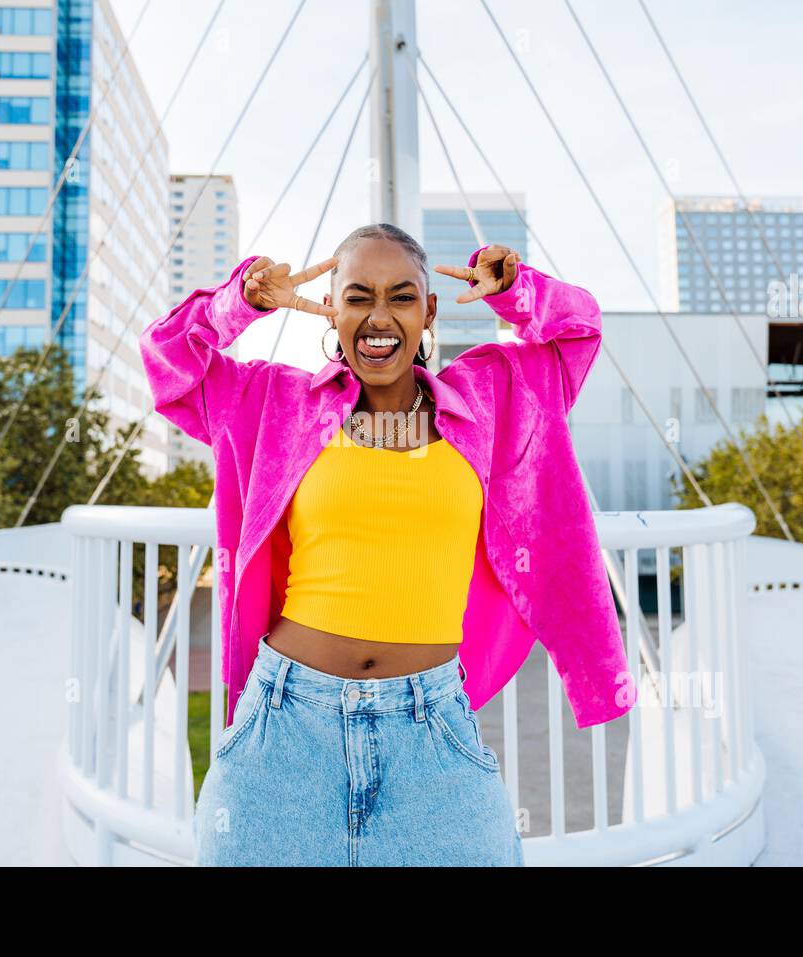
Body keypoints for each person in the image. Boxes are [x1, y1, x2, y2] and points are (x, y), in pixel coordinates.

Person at [138, 222, 634, 866]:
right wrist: (241, 302)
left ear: (430, 311)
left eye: (402, 297)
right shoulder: (276, 402)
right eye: (358, 297)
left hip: (431, 732)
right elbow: (168, 365)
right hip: (283, 729)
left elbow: (577, 333)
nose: (379, 317)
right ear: (331, 308)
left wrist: (517, 293)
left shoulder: (492, 398)